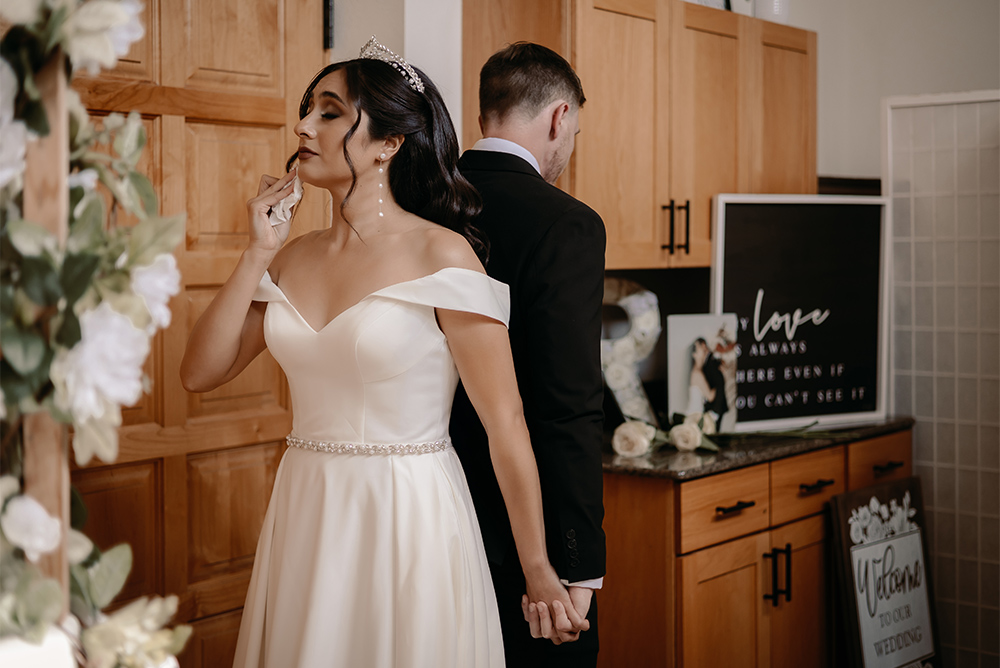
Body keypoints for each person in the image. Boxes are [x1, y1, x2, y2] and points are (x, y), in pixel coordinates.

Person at [180, 37, 586, 668]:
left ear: (389, 143)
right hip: (307, 505)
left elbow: (505, 424)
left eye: (329, 113)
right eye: (307, 111)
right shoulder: (291, 256)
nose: (302, 126)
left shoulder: (442, 253)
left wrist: (538, 568)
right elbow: (199, 372)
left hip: (409, 512)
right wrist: (257, 251)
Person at [449, 42, 607, 667]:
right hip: (525, 534)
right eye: (575, 133)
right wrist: (578, 563)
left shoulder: (413, 205)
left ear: (485, 114)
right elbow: (569, 406)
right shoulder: (565, 223)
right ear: (559, 118)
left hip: (423, 509)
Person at [688, 337, 728, 424]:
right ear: (694, 355)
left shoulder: (699, 371)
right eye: (700, 348)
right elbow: (710, 396)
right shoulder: (697, 374)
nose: (704, 350)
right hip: (696, 415)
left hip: (698, 413)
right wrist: (719, 384)